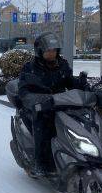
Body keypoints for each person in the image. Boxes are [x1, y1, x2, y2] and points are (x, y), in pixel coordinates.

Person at [18, 32, 88, 177]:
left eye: (54, 50)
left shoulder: (62, 65)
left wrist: (82, 86)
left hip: (61, 104)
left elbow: (69, 82)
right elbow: (24, 92)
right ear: (40, 51)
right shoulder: (30, 68)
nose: (52, 53)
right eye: (49, 50)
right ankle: (40, 163)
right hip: (41, 108)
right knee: (43, 125)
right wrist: (39, 100)